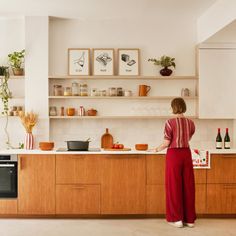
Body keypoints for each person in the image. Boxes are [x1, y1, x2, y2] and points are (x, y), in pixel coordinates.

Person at [154, 97, 196, 228]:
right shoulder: (190, 123)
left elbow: (167, 143)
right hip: (186, 154)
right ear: (184, 107)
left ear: (173, 107)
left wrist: (155, 149)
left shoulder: (169, 122)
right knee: (188, 186)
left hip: (174, 155)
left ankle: (176, 219)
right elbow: (188, 137)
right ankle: (189, 220)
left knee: (174, 186)